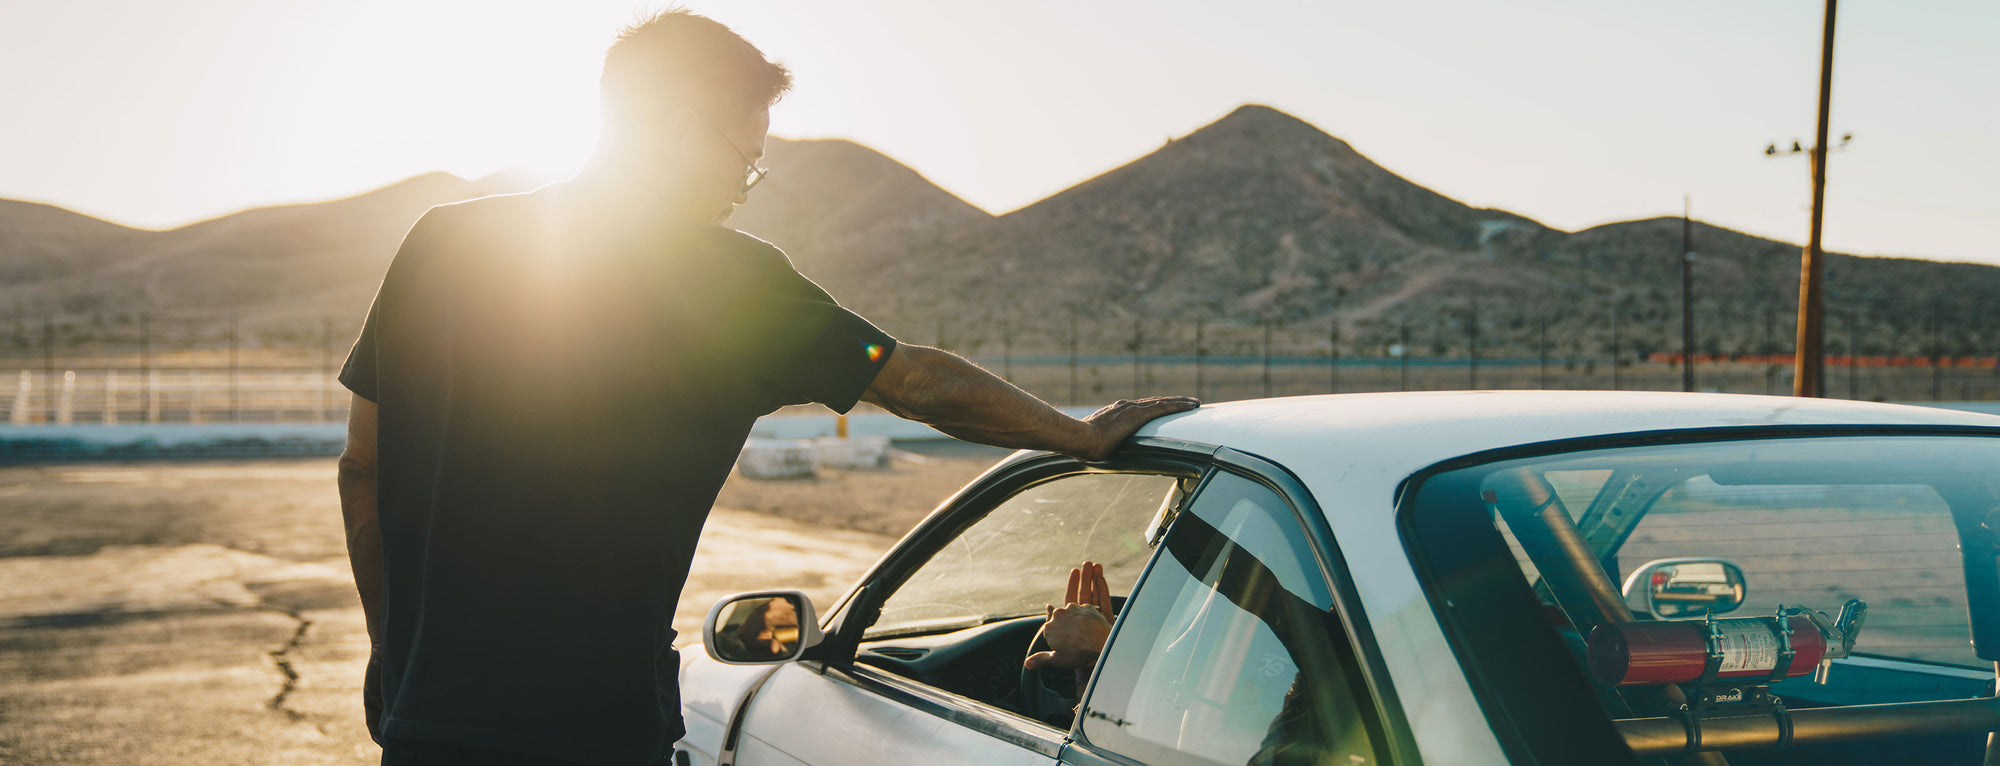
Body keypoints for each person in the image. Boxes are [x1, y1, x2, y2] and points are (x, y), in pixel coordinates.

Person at [334, 10, 1196, 766]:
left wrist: (392, 649)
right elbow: (916, 382)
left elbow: (362, 470)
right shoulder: (730, 284)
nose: (743, 192)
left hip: (424, 720)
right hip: (590, 728)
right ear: (677, 128)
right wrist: (1079, 437)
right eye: (743, 160)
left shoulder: (441, 244)